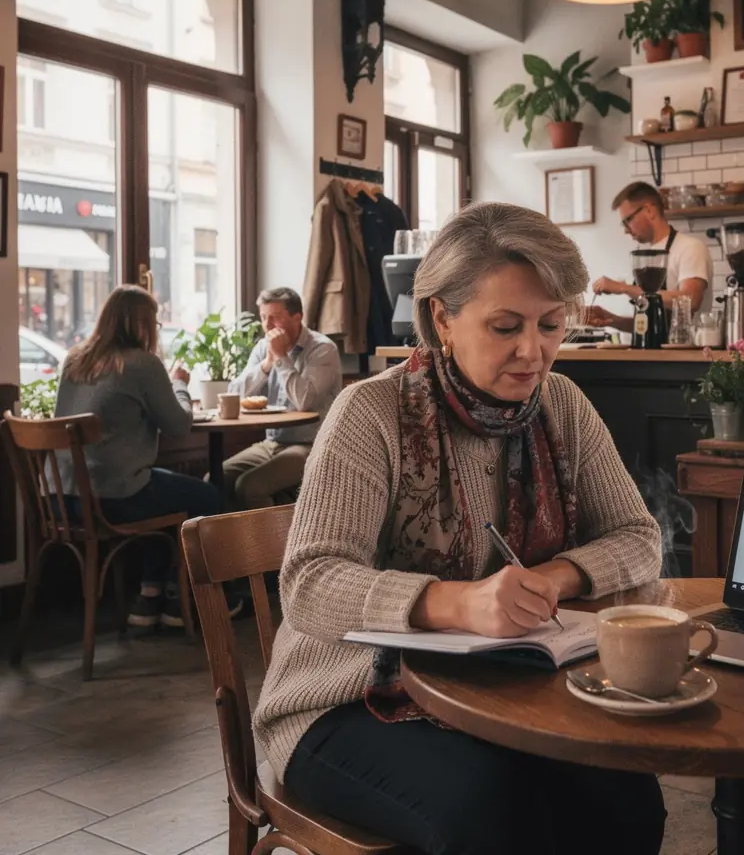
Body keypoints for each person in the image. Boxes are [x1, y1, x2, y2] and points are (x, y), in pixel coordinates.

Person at [253, 202, 666, 855]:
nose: (534, 351)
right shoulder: (372, 413)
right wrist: (459, 604)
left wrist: (552, 578)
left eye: (551, 324)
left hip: (499, 690)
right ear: (442, 318)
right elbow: (309, 581)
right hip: (344, 697)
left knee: (627, 796)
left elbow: (639, 538)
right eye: (505, 327)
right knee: (490, 812)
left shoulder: (562, 406)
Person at [55, 285, 221, 629]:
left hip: (63, 501)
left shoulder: (74, 360)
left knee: (161, 490)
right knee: (207, 497)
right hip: (113, 500)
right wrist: (179, 384)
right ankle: (182, 601)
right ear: (142, 324)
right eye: (155, 322)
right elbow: (179, 426)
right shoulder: (143, 364)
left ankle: (149, 596)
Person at [224, 287, 344, 510]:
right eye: (263, 317)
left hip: (311, 445)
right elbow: (235, 394)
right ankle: (228, 535)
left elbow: (304, 401)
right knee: (216, 478)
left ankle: (270, 535)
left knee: (249, 487)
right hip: (272, 443)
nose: (267, 325)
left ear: (297, 317)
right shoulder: (263, 348)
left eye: (275, 317)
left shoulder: (322, 349)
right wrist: (266, 365)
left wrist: (280, 357)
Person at [587, 181, 714, 334]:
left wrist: (623, 288)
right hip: (652, 349)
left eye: (628, 220)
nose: (626, 231)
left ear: (649, 210)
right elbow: (647, 326)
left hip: (684, 348)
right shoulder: (646, 257)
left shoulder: (690, 247)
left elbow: (691, 300)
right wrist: (612, 320)